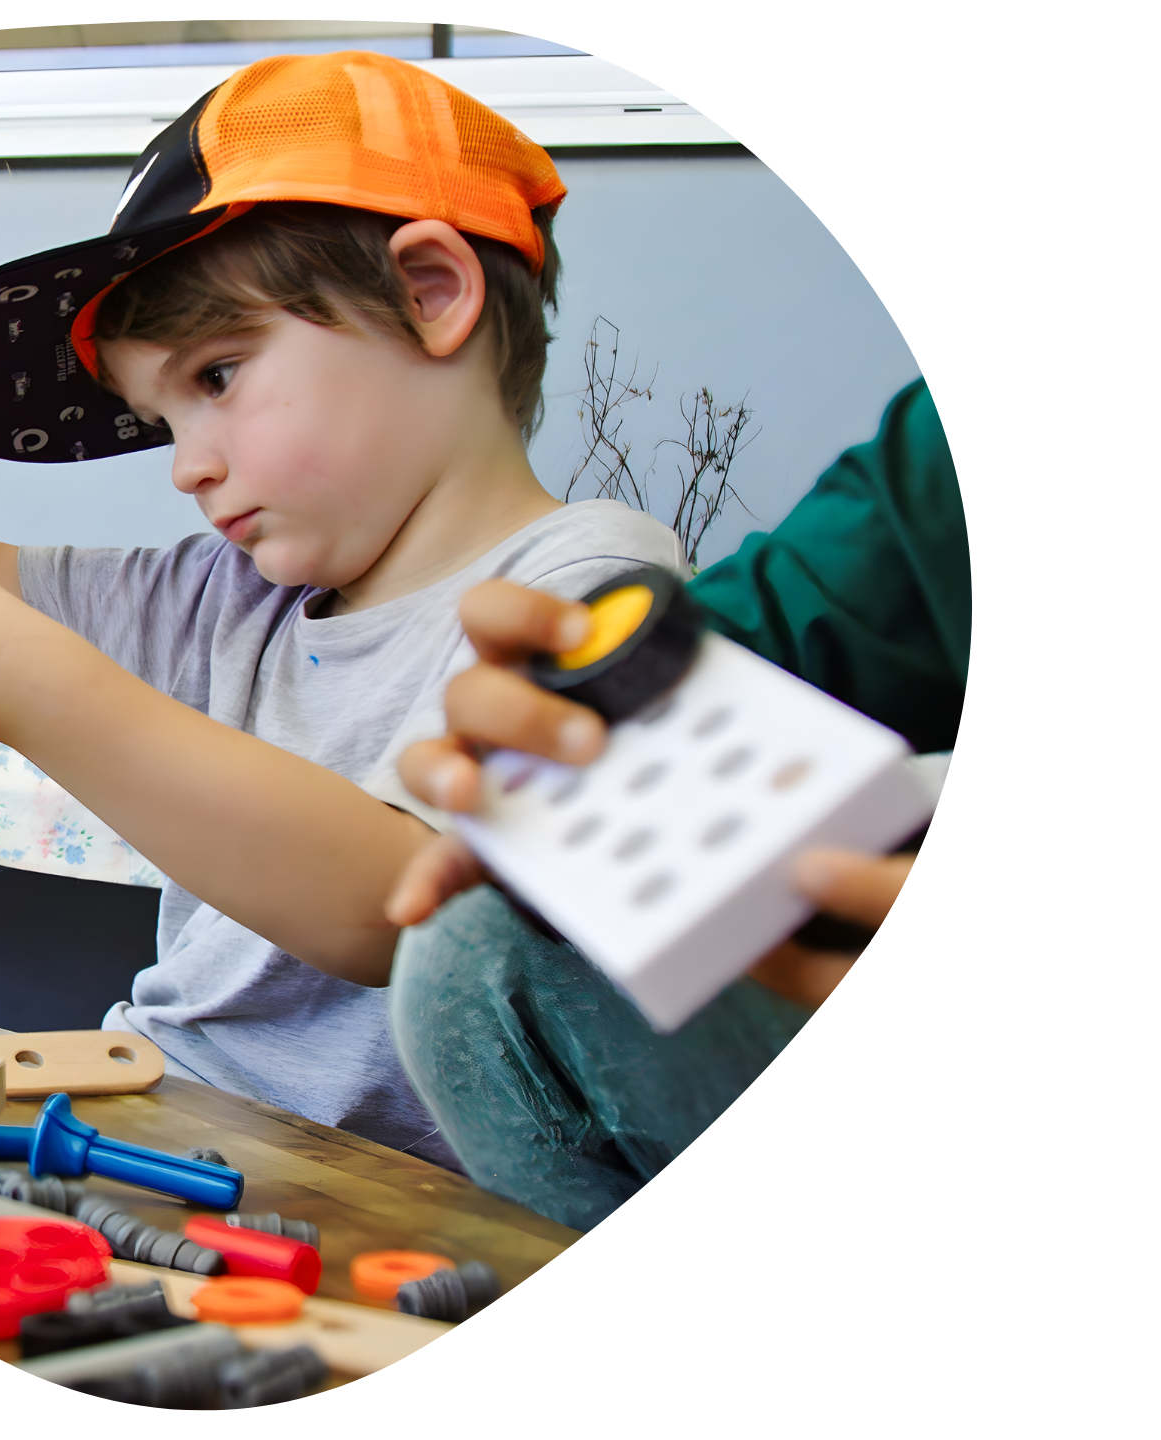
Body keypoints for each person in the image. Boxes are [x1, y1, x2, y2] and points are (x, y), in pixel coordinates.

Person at [0, 52, 687, 1169]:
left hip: (392, 1202)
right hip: (166, 1120)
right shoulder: (233, 597)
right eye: (161, 420)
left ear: (432, 294)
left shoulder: (593, 584)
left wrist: (30, 683)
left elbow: (397, 905)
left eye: (215, 378)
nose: (186, 469)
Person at [380, 379, 963, 1225]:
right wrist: (593, 722)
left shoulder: (583, 546)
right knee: (487, 936)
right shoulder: (928, 464)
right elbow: (780, 623)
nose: (188, 470)